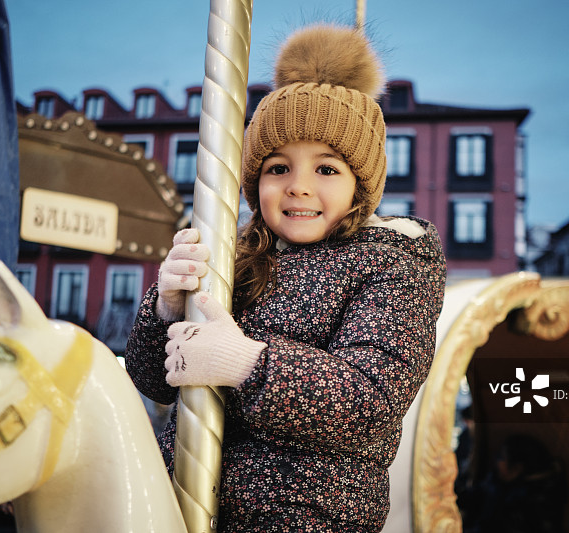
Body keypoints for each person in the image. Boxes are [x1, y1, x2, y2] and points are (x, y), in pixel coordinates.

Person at [125, 22, 446, 532]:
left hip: (305, 513)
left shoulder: (394, 263)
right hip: (180, 497)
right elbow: (152, 382)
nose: (297, 187)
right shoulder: (235, 255)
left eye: (326, 170)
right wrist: (165, 306)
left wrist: (246, 363)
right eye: (277, 168)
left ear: (361, 185)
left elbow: (372, 396)